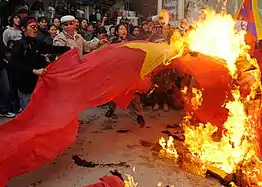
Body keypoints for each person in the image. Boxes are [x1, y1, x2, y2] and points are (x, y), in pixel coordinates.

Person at [9, 17, 70, 109]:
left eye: (37, 27)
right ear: (23, 28)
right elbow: (14, 64)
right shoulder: (19, 45)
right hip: (25, 86)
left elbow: (51, 48)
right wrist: (33, 71)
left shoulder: (37, 43)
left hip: (38, 84)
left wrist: (69, 49)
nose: (35, 29)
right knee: (29, 113)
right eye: (32, 27)